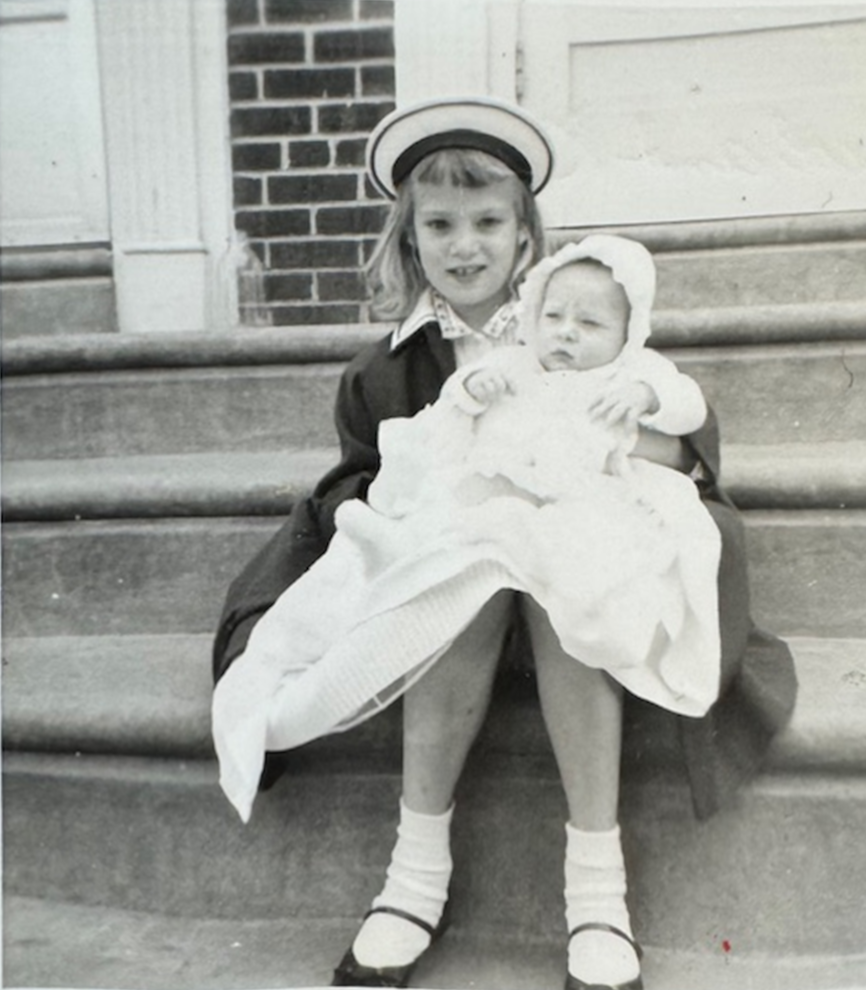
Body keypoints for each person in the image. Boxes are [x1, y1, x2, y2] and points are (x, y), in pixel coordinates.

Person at [211, 97, 798, 990]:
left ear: (527, 236)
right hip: (459, 610)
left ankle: (599, 892)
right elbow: (377, 481)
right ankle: (413, 877)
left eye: (489, 222)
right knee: (468, 568)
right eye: (439, 226)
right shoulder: (388, 369)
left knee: (555, 567)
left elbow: (681, 446)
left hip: (581, 597)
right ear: (409, 241)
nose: (465, 246)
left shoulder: (579, 323)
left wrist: (593, 429)